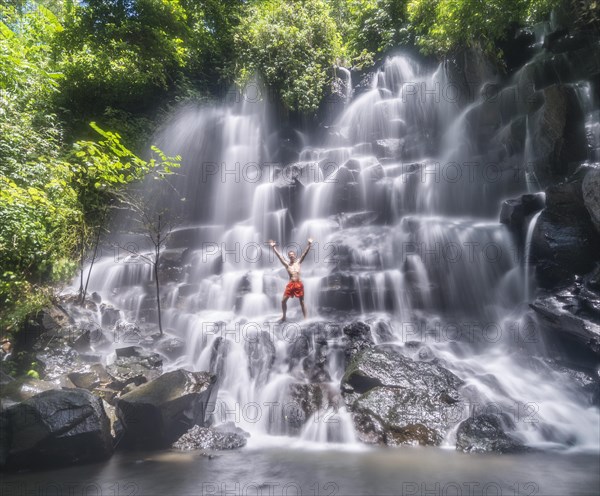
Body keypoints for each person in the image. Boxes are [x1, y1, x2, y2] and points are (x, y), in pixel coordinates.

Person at [268, 238, 313, 322]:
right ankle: (284, 316)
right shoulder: (287, 265)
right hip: (291, 284)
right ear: (289, 256)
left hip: (299, 284)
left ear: (295, 255)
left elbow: (304, 254)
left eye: (293, 254)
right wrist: (273, 247)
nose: (291, 256)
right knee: (283, 301)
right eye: (290, 255)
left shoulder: (298, 262)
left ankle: (306, 319)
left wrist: (309, 244)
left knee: (302, 302)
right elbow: (280, 257)